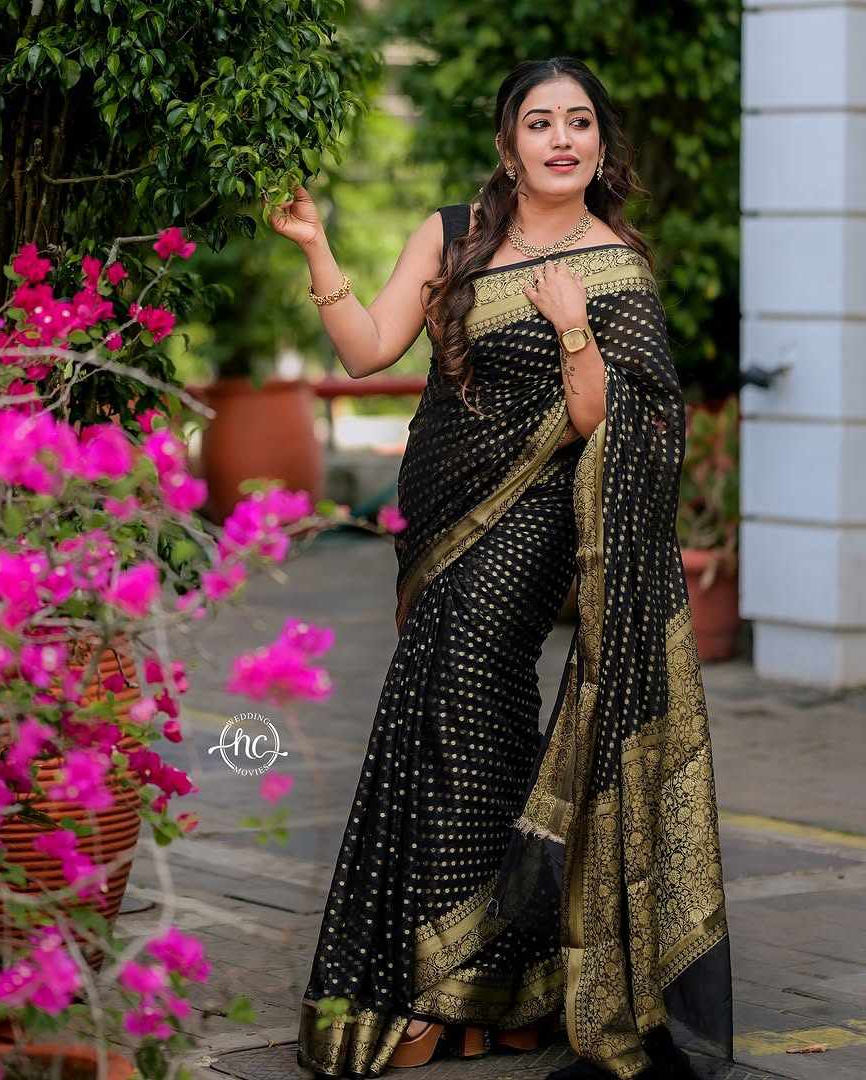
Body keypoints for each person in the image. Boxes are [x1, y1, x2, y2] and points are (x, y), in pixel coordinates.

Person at [265, 56, 733, 1080]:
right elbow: (366, 349)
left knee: (461, 704)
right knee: (455, 722)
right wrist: (316, 246)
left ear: (601, 145)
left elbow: (608, 421)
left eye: (580, 122)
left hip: (534, 528)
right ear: (508, 144)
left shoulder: (615, 265)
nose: (562, 139)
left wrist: (571, 323)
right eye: (540, 122)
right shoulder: (452, 233)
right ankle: (503, 987)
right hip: (440, 520)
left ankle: (447, 987)